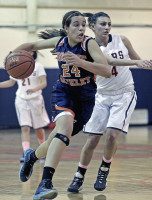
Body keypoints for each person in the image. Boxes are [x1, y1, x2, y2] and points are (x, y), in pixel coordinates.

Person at [9, 10, 112, 200]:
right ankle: (44, 184)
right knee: (63, 130)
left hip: (86, 98)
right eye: (76, 24)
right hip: (64, 93)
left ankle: (32, 157)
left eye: (83, 24)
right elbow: (31, 45)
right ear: (66, 28)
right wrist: (13, 55)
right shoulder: (60, 42)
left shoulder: (89, 44)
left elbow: (105, 70)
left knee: (56, 139)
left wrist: (82, 64)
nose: (81, 28)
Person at [67, 12, 152, 193]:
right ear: (92, 27)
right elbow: (110, 61)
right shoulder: (88, 46)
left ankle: (104, 169)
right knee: (92, 140)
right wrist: (137, 62)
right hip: (101, 95)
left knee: (112, 135)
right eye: (103, 24)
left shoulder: (122, 40)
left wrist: (145, 63)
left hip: (124, 94)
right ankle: (79, 176)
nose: (107, 27)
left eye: (109, 24)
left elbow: (136, 59)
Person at [0, 51, 50, 163]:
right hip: (21, 100)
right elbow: (10, 82)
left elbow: (44, 83)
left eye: (28, 50)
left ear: (33, 52)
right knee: (25, 127)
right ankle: (26, 152)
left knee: (38, 128)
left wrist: (34, 89)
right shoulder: (16, 66)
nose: (26, 51)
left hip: (36, 99)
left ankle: (42, 151)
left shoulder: (38, 66)